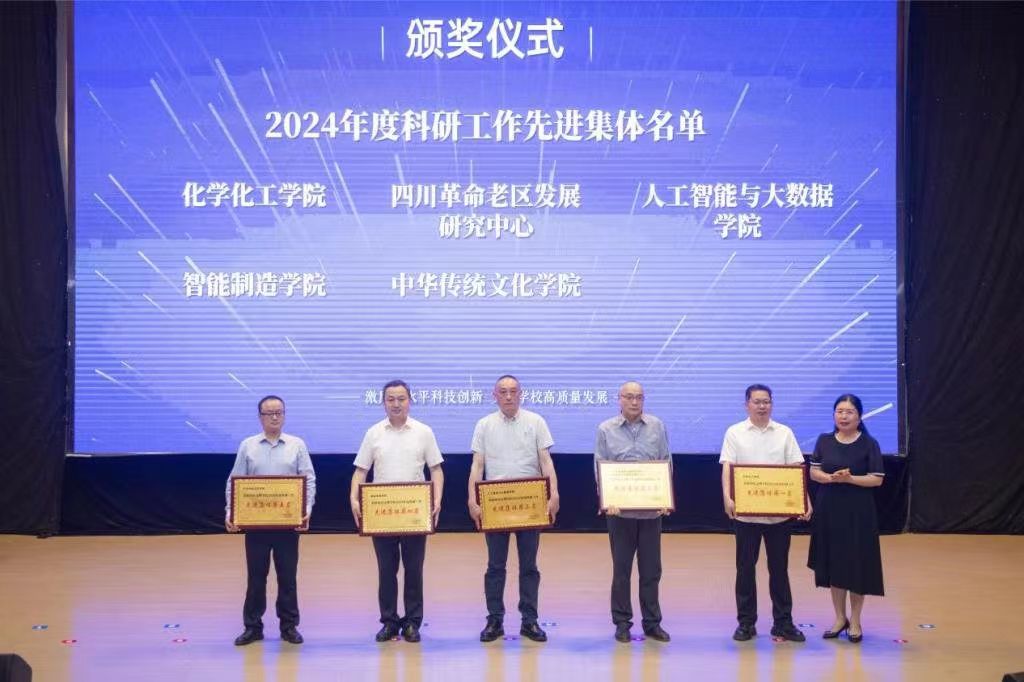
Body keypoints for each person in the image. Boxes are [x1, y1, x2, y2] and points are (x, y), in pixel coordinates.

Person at [468, 375, 560, 643]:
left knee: (529, 566)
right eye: (503, 392)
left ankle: (529, 621)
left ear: (521, 394)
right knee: (495, 566)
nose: (508, 396)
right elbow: (477, 465)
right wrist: (472, 499)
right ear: (494, 395)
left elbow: (546, 461)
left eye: (513, 391)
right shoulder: (484, 425)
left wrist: (554, 493)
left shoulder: (536, 422)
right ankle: (494, 620)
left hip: (530, 504)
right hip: (495, 505)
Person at [351, 380, 444, 643]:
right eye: (390, 399)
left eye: (401, 399)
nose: (396, 404)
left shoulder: (423, 432)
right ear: (383, 402)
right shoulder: (373, 433)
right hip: (382, 514)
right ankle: (389, 622)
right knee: (386, 570)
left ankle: (413, 622)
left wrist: (437, 499)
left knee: (414, 570)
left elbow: (436, 469)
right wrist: (354, 498)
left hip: (415, 513)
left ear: (409, 401)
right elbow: (361, 471)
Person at [720, 384, 811, 643]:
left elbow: (796, 468)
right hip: (746, 515)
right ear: (746, 404)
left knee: (779, 569)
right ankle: (746, 623)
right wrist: (727, 497)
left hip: (778, 516)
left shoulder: (784, 432)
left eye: (766, 401)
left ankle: (783, 623)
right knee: (745, 569)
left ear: (772, 404)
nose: (762, 406)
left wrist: (805, 500)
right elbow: (728, 467)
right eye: (757, 401)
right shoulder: (734, 432)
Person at [225, 395, 316, 646]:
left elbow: (308, 479)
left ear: (284, 415)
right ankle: (252, 627)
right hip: (256, 526)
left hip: (288, 524)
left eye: (279, 412)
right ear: (260, 417)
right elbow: (234, 481)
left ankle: (289, 627)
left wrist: (306, 509)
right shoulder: (248, 446)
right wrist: (231, 512)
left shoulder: (297, 445)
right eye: (269, 413)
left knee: (287, 578)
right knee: (256, 578)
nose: (275, 417)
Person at [595, 381, 672, 643]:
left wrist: (665, 497)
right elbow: (599, 467)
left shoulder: (657, 426)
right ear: (619, 399)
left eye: (639, 397)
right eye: (629, 397)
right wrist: (606, 500)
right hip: (620, 514)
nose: (634, 402)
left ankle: (652, 623)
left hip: (651, 513)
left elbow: (666, 462)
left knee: (651, 571)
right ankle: (622, 623)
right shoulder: (605, 429)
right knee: (622, 571)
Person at [807, 393, 885, 644]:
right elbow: (814, 472)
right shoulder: (824, 440)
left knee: (856, 565)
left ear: (859, 416)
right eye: (839, 411)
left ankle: (856, 620)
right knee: (834, 564)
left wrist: (850, 479)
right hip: (829, 510)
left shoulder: (869, 443)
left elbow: (876, 479)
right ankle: (840, 618)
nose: (843, 416)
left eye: (849, 412)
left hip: (858, 513)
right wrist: (830, 478)